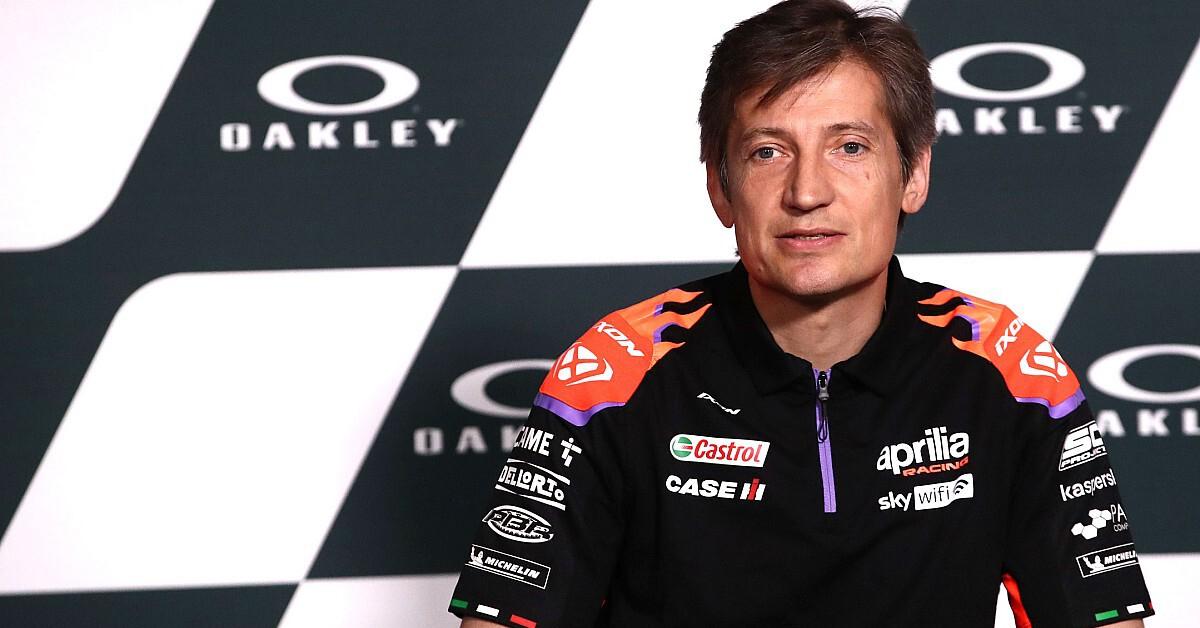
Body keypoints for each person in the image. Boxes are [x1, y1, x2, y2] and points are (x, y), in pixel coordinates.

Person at [449, 1, 1154, 626]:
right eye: (768, 151)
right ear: (720, 187)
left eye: (849, 147)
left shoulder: (1011, 372)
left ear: (913, 175)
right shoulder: (613, 374)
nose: (807, 190)